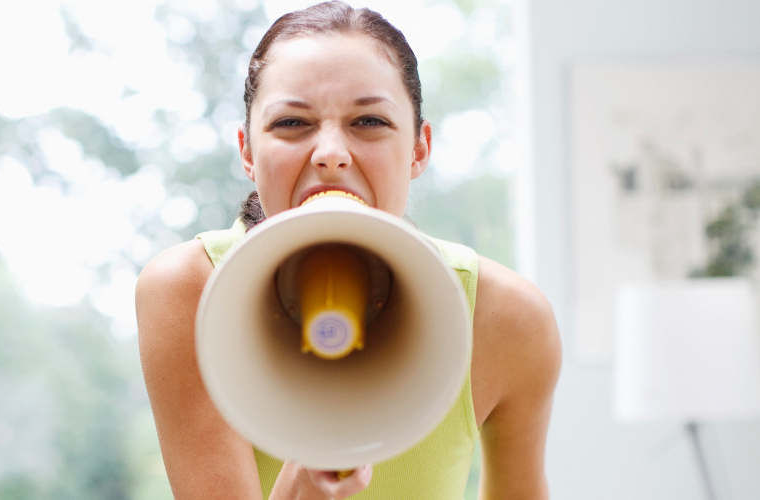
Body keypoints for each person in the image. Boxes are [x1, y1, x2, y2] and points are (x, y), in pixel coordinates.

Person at [135, 2, 561, 498]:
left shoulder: (507, 319)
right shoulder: (189, 292)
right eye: (293, 123)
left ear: (420, 149)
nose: (331, 153)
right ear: (248, 151)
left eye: (370, 121)